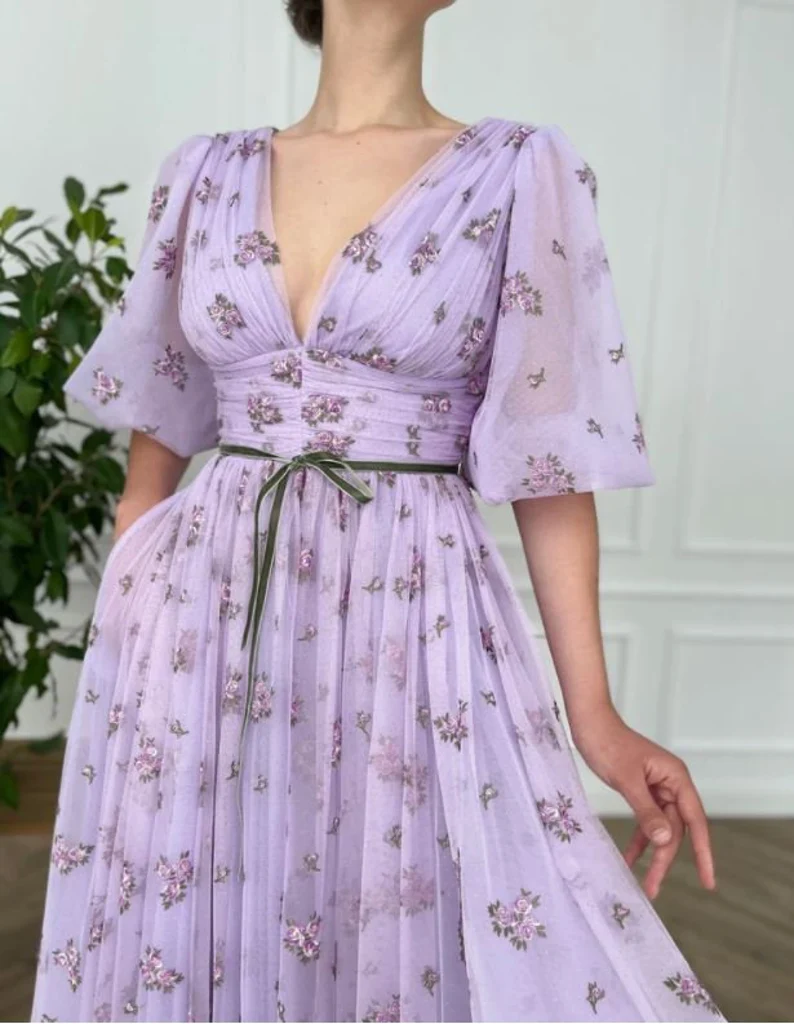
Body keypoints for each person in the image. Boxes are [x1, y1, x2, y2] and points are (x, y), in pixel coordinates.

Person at [31, 0, 726, 1020]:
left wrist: (596, 719)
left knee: (408, 915)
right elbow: (157, 445)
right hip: (202, 620)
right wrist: (129, 645)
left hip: (412, 611)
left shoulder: (517, 172)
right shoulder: (204, 173)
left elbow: (545, 463)